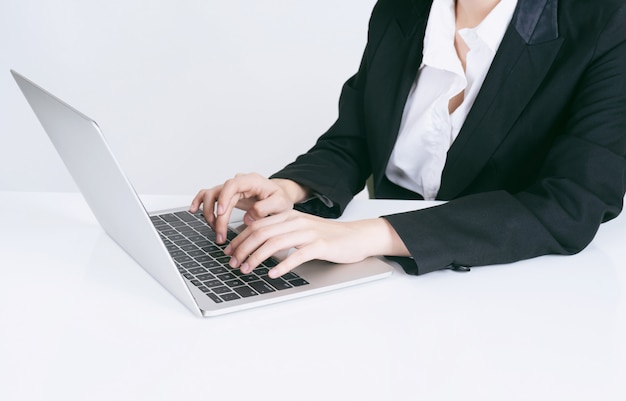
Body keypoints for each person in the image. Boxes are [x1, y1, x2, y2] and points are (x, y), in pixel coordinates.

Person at [190, 0, 626, 278]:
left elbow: (573, 205)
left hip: (516, 284)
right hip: (380, 275)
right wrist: (289, 189)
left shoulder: (606, 21)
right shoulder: (401, 9)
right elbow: (356, 138)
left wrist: (370, 235)